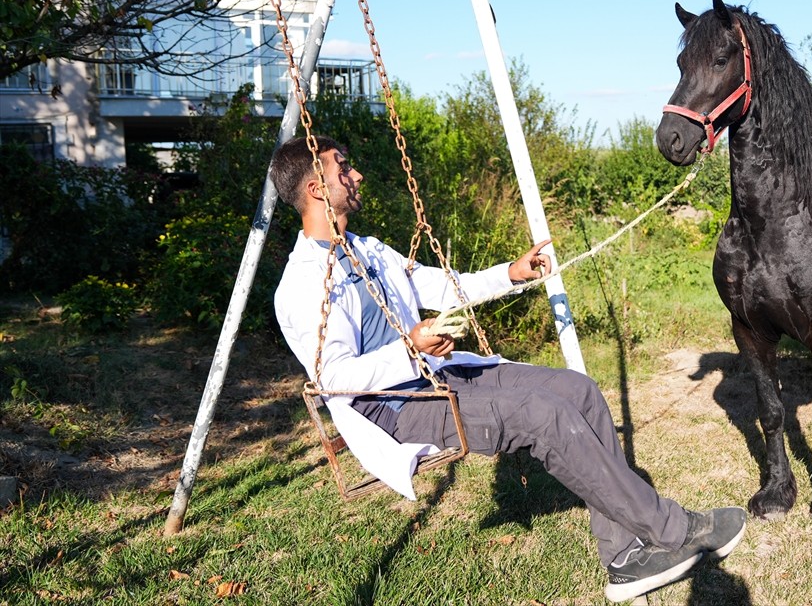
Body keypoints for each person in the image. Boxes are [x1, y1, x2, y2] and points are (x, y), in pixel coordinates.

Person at [269, 135, 745, 602]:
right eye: (343, 167)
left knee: (578, 390)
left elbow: (441, 285)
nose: (356, 175)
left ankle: (623, 557)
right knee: (544, 414)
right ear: (315, 188)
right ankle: (675, 529)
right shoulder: (303, 284)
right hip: (396, 409)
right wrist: (411, 349)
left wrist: (510, 274)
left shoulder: (368, 249)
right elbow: (333, 379)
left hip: (438, 374)